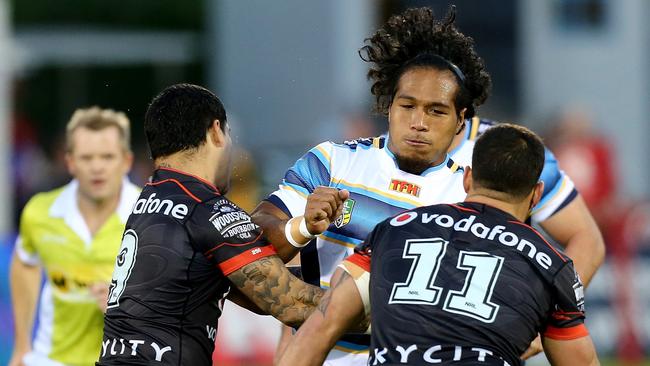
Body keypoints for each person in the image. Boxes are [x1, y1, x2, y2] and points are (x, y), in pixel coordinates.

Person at [251, 7, 604, 364]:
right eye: (408, 105)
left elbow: (580, 242)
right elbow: (252, 246)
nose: (419, 122)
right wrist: (301, 229)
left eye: (436, 108)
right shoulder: (332, 163)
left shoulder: (486, 176)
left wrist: (541, 324)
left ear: (460, 116)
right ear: (389, 105)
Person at [278, 124, 600, 366]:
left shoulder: (397, 228)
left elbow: (324, 323)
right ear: (537, 194)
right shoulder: (550, 266)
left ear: (468, 179)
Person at [97, 83, 323, 365]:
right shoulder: (208, 209)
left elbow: (249, 291)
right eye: (229, 135)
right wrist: (383, 300)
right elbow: (291, 303)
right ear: (216, 131)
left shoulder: (151, 198)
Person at [9, 107, 141, 366]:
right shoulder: (40, 212)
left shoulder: (149, 215)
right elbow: (25, 263)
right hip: (51, 359)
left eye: (107, 157)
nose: (97, 167)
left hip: (124, 360)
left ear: (126, 161)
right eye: (86, 157)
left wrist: (126, 304)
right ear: (70, 162)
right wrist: (22, 345)